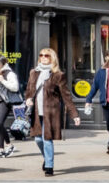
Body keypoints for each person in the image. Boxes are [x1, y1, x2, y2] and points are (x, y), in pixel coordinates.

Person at [24, 48, 76, 176]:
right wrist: (28, 100)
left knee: (47, 138)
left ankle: (49, 166)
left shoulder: (58, 75)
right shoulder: (33, 73)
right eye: (41, 55)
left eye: (46, 55)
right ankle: (46, 158)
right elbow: (29, 91)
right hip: (36, 112)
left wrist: (74, 114)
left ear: (52, 58)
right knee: (38, 140)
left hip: (51, 112)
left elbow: (66, 96)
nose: (43, 57)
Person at [0, 55, 21, 157]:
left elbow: (15, 87)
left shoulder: (9, 73)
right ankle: (1, 149)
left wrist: (3, 81)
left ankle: (9, 145)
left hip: (3, 102)